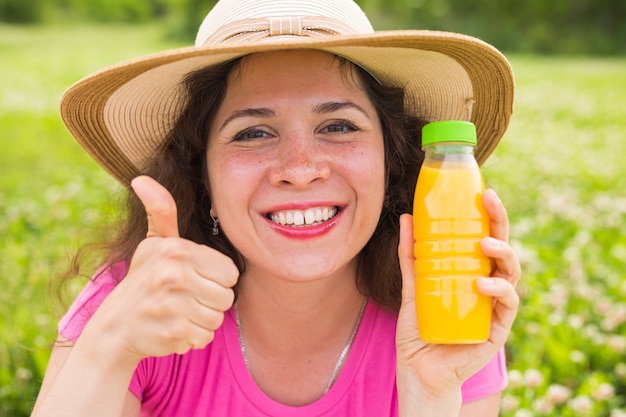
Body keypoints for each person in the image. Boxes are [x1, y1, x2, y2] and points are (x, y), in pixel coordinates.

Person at [31, 0, 520, 416]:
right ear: (200, 174)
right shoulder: (139, 301)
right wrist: (109, 343)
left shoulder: (449, 310)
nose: (300, 169)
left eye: (339, 126)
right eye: (252, 133)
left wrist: (430, 396)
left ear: (392, 161)